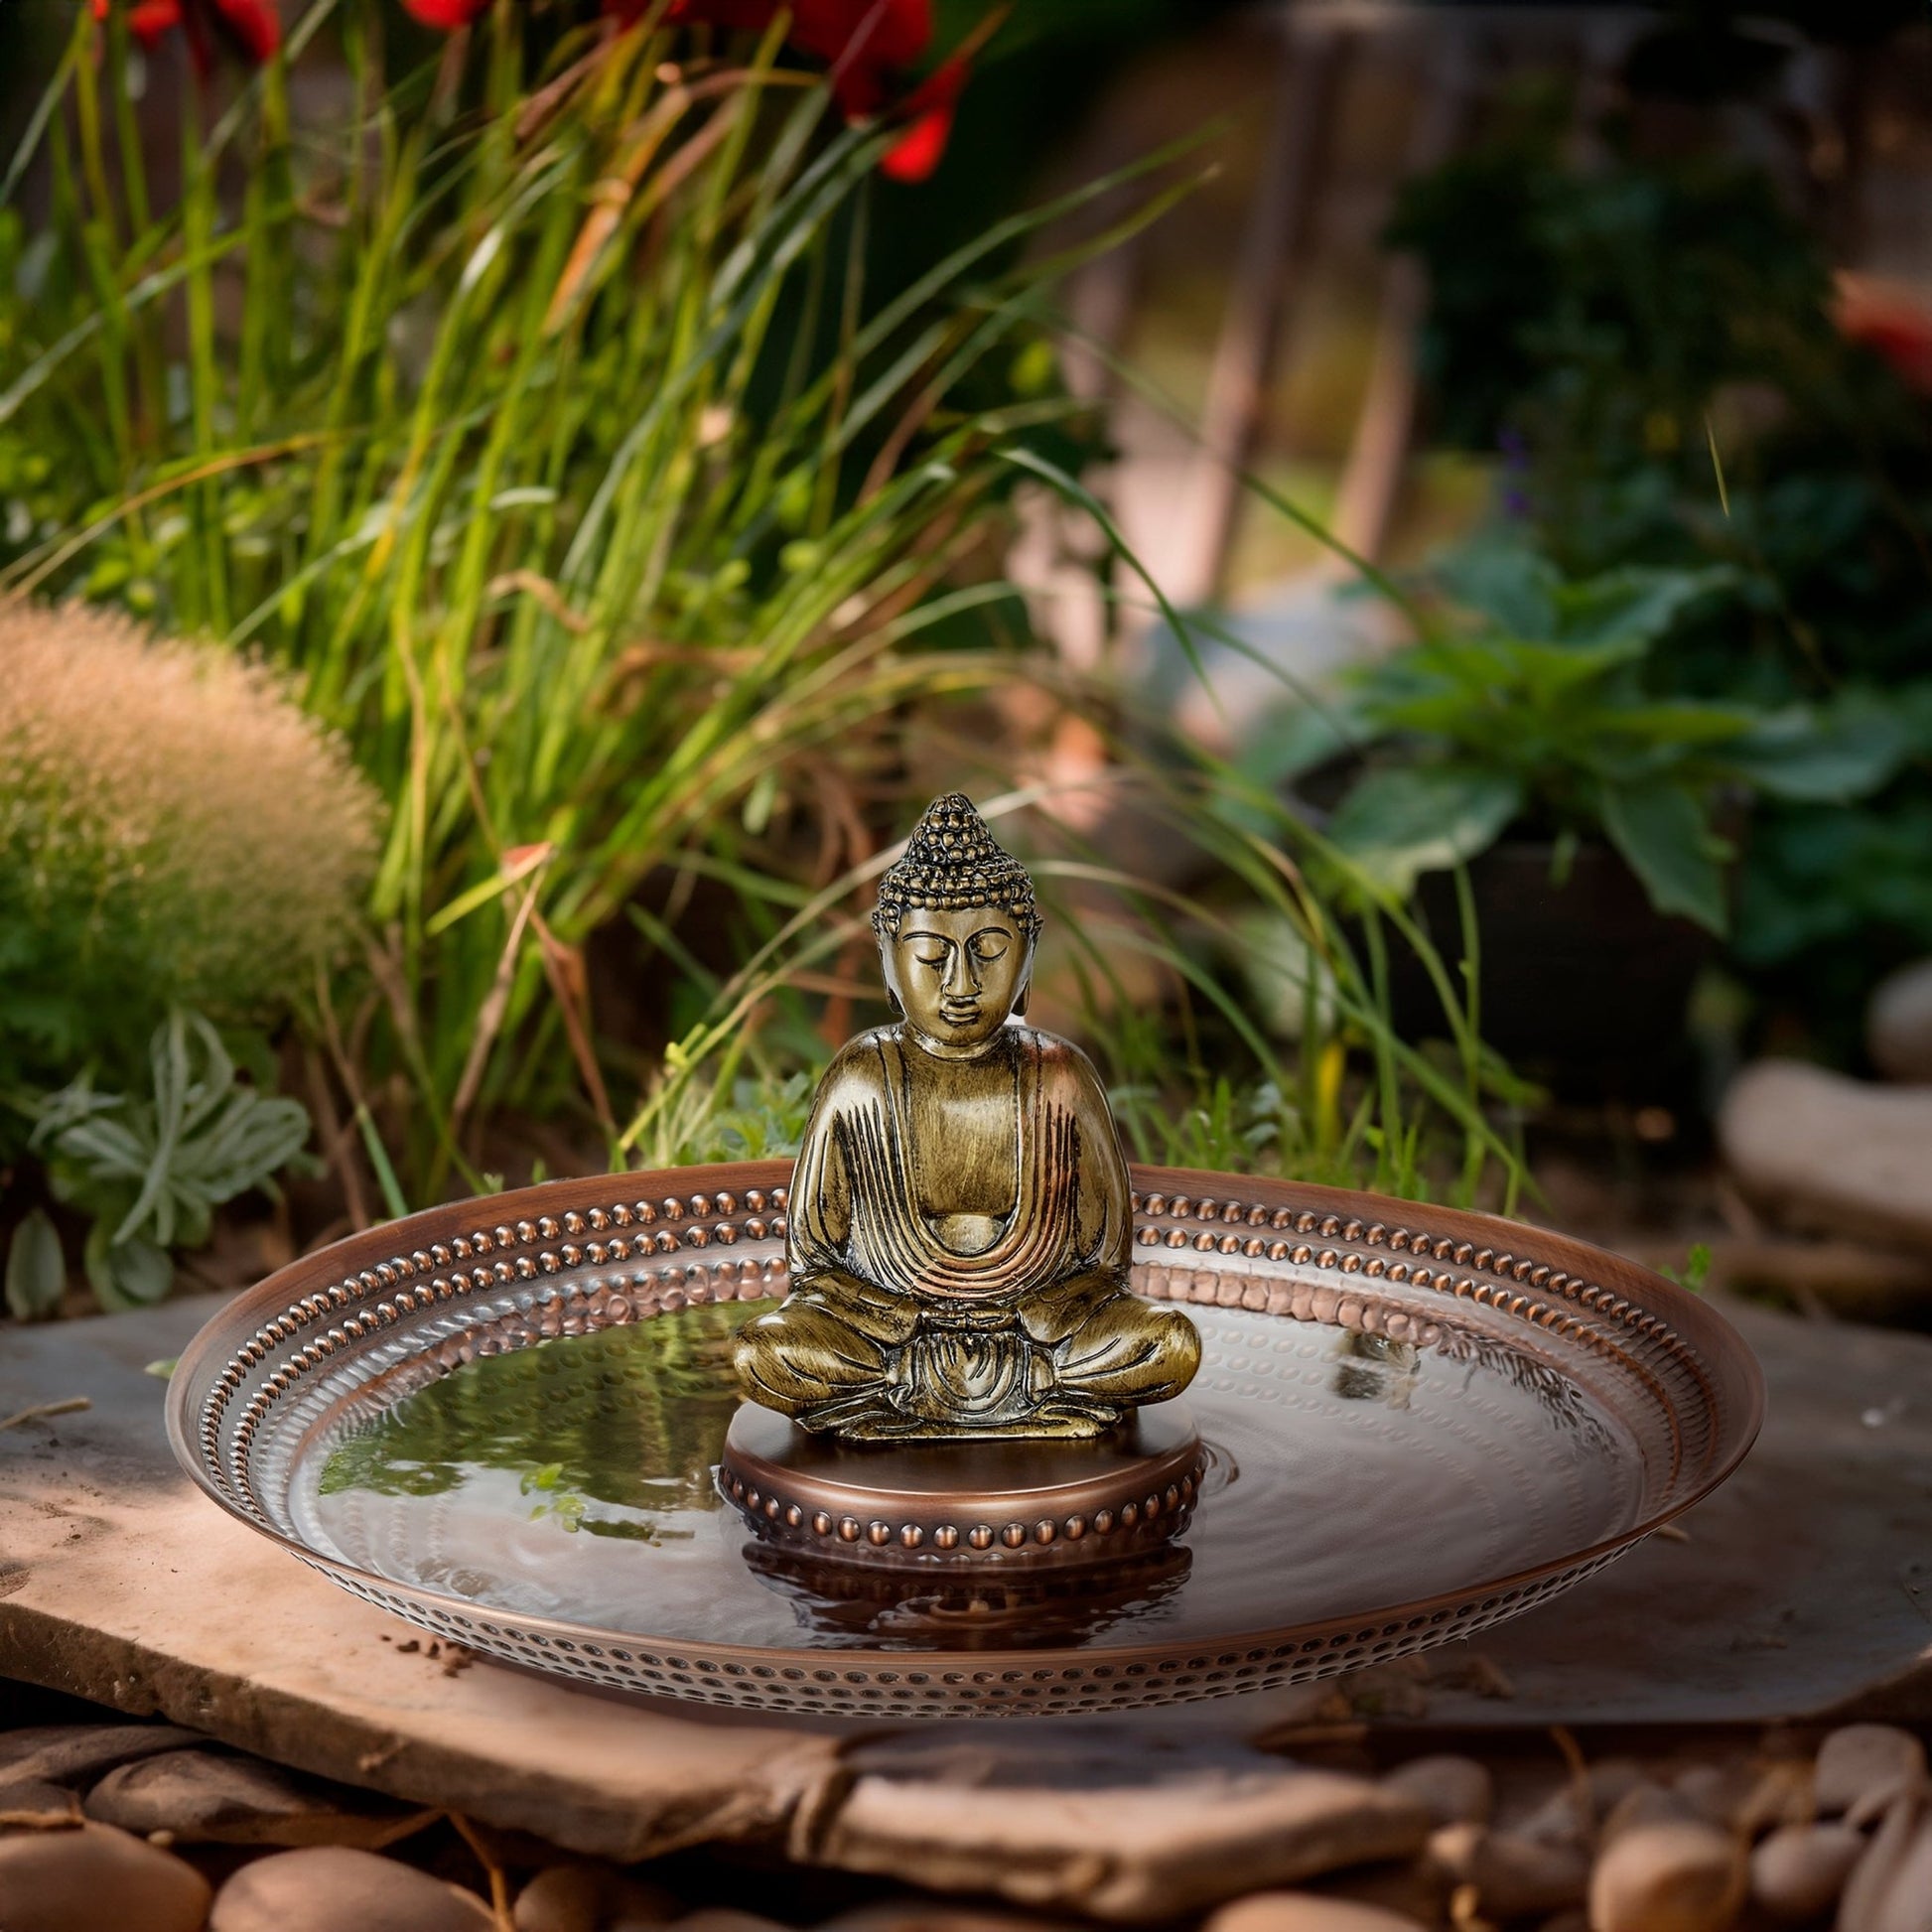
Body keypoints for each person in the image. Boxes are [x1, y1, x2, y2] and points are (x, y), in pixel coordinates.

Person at [733, 794, 1200, 1440]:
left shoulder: (1059, 1076)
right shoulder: (861, 1078)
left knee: (1167, 1345)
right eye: (931, 957)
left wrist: (1030, 1316)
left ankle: (927, 1400)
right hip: (889, 1346)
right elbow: (815, 1258)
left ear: (1027, 956)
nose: (960, 983)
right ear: (889, 964)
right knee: (766, 1353)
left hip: (1040, 1340)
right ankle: (938, 1392)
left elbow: (1103, 1258)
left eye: (988, 951)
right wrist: (904, 1322)